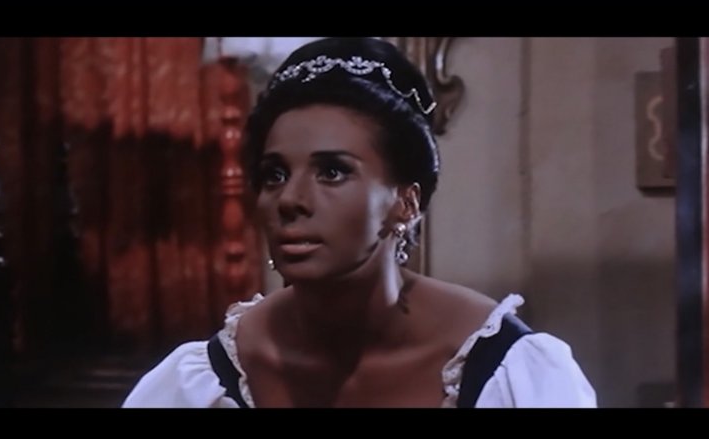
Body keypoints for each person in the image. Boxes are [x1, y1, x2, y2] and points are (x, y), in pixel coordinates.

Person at [122, 37, 597, 408]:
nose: (290, 200)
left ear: (405, 202)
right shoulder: (208, 379)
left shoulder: (505, 372)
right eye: (275, 175)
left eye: (332, 172)